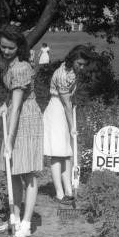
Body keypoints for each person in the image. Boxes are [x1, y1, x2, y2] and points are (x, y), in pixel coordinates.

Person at [0, 26, 43, 237]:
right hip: (16, 114)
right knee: (13, 171)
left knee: (28, 173)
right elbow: (13, 100)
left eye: (10, 47)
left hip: (27, 119)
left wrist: (9, 139)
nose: (5, 51)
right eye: (3, 46)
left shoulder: (22, 68)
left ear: (19, 47)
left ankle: (26, 223)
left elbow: (18, 107)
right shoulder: (10, 65)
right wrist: (5, 104)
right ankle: (13, 218)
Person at [43, 45, 91, 202]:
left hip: (64, 107)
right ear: (72, 60)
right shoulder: (63, 75)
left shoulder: (70, 70)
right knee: (57, 153)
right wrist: (72, 127)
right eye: (79, 63)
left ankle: (69, 190)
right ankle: (59, 193)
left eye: (84, 64)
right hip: (57, 110)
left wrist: (73, 99)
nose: (82, 67)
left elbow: (70, 99)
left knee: (67, 153)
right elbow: (66, 104)